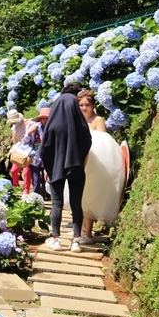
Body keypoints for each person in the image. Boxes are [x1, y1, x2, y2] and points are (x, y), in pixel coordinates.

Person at [39, 86, 93, 252]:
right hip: (76, 167)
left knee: (56, 203)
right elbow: (87, 143)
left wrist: (48, 167)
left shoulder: (53, 125)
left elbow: (44, 148)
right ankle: (75, 240)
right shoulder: (81, 125)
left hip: (56, 168)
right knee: (76, 203)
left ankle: (55, 239)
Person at [74, 90, 123, 242]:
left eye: (87, 105)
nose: (83, 108)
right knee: (80, 197)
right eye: (81, 105)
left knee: (90, 197)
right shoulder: (77, 120)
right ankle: (81, 230)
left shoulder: (98, 120)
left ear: (93, 105)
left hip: (96, 164)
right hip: (80, 162)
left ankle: (88, 233)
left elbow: (104, 145)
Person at [7, 109, 35, 190]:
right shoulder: (14, 128)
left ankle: (26, 190)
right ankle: (15, 186)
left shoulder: (30, 124)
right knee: (13, 170)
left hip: (29, 149)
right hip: (19, 149)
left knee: (26, 171)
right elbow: (14, 141)